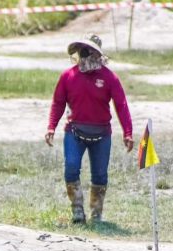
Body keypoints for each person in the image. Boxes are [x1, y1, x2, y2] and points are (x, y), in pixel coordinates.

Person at [45, 34, 133, 223]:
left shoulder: (109, 77)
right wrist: (51, 126)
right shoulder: (68, 76)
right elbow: (58, 103)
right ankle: (77, 210)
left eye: (89, 50)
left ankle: (96, 213)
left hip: (102, 134)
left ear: (97, 54)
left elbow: (121, 104)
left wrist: (128, 132)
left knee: (100, 174)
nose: (84, 55)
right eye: (81, 51)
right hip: (74, 132)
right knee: (71, 168)